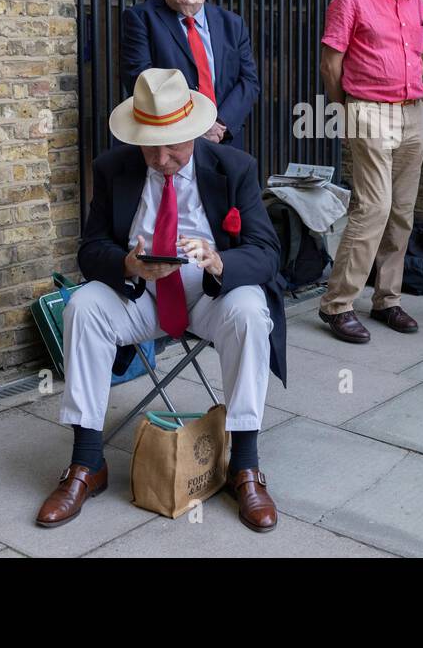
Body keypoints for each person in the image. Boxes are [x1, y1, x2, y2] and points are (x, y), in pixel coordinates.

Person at [38, 68, 286, 533]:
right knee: (83, 307)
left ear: (193, 131)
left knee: (252, 310)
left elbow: (268, 253)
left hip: (213, 296)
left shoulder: (235, 168)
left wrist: (218, 262)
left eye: (173, 145)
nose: (162, 157)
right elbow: (90, 251)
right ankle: (87, 463)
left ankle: (245, 465)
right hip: (144, 297)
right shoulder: (114, 168)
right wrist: (129, 265)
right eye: (150, 146)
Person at [317, 0, 423, 344]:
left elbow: (415, 54)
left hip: (413, 110)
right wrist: (345, 109)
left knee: (402, 210)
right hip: (369, 109)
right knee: (374, 207)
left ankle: (387, 298)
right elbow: (331, 63)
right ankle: (337, 303)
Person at [121, 0, 261, 148]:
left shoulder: (232, 24)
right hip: (169, 139)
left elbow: (248, 81)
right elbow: (140, 78)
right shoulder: (141, 19)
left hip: (224, 137)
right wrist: (194, 126)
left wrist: (220, 123)